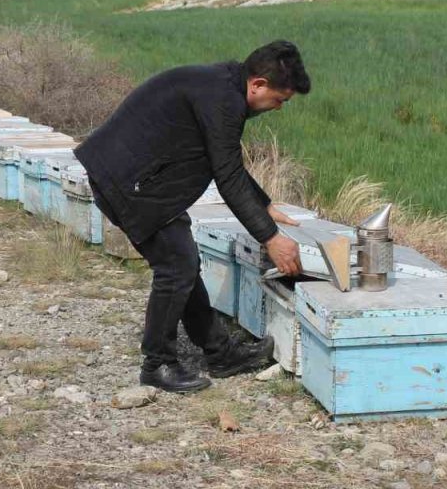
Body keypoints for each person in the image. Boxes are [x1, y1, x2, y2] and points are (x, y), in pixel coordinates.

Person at [75, 40, 311, 393]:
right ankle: (157, 364)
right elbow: (228, 177)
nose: (278, 108)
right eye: (279, 100)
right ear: (258, 84)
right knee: (176, 266)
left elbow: (224, 161)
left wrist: (262, 203)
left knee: (183, 260)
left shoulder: (223, 86)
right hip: (129, 182)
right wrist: (271, 238)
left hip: (140, 178)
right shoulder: (223, 100)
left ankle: (220, 352)